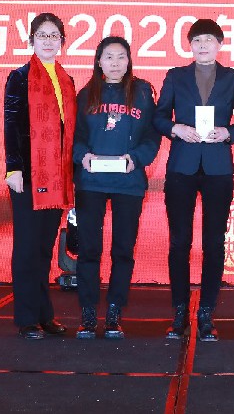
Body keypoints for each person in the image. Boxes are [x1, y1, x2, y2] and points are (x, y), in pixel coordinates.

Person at [154, 19, 234, 342]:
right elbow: (159, 116)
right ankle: (179, 311)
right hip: (181, 167)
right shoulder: (175, 76)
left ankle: (207, 312)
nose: (203, 45)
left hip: (218, 168)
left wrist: (229, 132)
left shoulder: (233, 78)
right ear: (190, 45)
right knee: (179, 241)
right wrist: (175, 128)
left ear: (220, 44)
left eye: (209, 40)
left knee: (214, 242)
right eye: (197, 40)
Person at [72, 36, 160, 339]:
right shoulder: (86, 94)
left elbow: (152, 135)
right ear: (99, 61)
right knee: (89, 249)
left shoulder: (142, 93)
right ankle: (87, 313)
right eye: (108, 57)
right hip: (91, 182)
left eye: (121, 57)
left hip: (128, 182)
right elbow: (75, 135)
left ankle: (113, 313)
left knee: (123, 249)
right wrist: (83, 156)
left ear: (129, 61)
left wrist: (136, 158)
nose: (115, 63)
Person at [4, 13, 77, 340]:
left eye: (54, 36)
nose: (48, 41)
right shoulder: (19, 77)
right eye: (42, 35)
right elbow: (11, 125)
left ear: (62, 41)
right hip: (28, 176)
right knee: (27, 248)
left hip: (57, 175)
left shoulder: (66, 79)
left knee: (45, 249)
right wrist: (14, 168)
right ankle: (26, 318)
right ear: (31, 39)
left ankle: (44, 314)